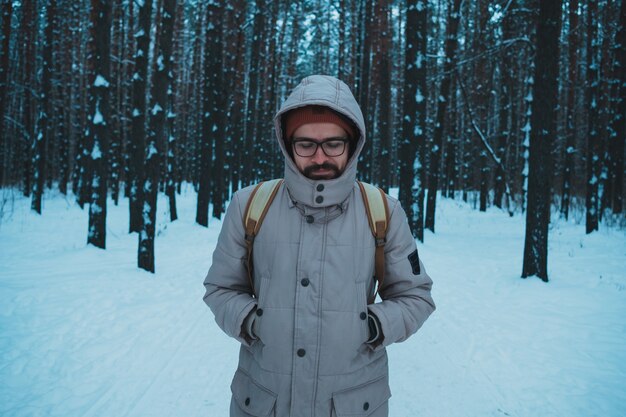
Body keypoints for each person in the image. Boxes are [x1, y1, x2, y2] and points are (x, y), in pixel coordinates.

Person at [203, 74, 435, 417]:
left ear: (352, 143)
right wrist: (253, 321)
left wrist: (372, 326)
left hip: (353, 402)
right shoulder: (249, 205)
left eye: (333, 143)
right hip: (265, 400)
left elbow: (416, 297)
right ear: (287, 143)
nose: (320, 156)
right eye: (306, 144)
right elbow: (220, 288)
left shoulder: (383, 211)